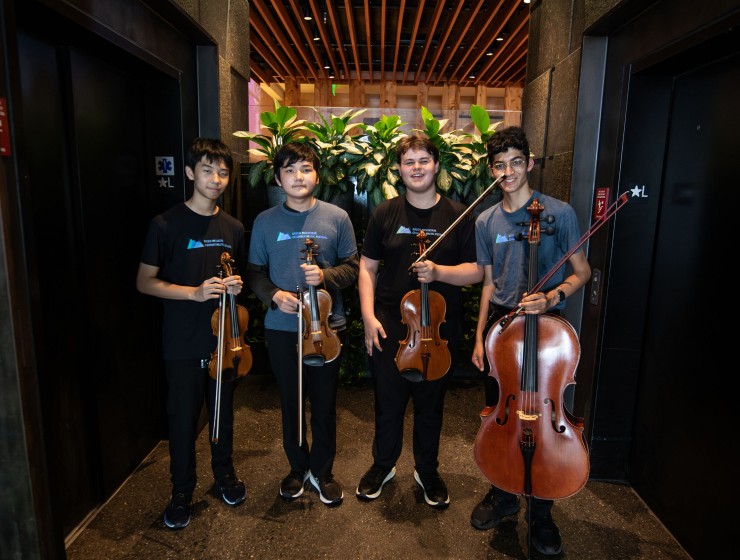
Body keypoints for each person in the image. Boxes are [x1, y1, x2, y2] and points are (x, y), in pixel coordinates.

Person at [469, 126, 592, 555]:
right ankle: (503, 496)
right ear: (491, 170)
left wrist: (554, 295)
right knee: (501, 417)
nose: (508, 172)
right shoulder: (487, 220)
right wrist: (480, 338)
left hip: (547, 330)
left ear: (530, 163)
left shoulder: (559, 213)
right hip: (503, 331)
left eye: (516, 162)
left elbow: (583, 271)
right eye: (499, 166)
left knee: (544, 421)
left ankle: (542, 513)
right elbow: (487, 283)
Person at [356, 134, 483, 509]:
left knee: (430, 406)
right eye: (409, 162)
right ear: (399, 169)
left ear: (437, 166)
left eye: (423, 160)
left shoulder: (458, 215)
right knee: (388, 403)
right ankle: (384, 464)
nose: (416, 168)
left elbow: (476, 271)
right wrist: (366, 317)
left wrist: (439, 271)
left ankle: (427, 470)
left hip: (439, 329)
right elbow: (367, 268)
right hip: (391, 326)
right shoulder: (384, 213)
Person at [136, 137, 248, 530]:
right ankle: (181, 492)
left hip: (224, 341)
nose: (216, 179)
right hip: (182, 341)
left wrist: (234, 288)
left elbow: (239, 280)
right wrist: (194, 293)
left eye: (222, 172)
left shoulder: (233, 227)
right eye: (207, 170)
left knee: (223, 415)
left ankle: (225, 477)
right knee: (182, 420)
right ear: (189, 173)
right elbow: (145, 282)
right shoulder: (164, 224)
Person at [246, 141, 358, 507]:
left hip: (327, 326)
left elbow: (353, 268)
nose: (298, 176)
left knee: (324, 403)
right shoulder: (265, 221)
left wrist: (324, 275)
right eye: (290, 169)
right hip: (282, 327)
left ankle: (322, 471)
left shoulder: (337, 217)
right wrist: (274, 295)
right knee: (292, 402)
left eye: (306, 168)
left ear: (317, 175)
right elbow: (255, 273)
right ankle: (297, 468)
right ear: (278, 177)